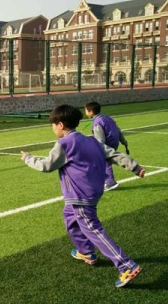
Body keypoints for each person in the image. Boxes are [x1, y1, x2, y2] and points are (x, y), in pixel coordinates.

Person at [20, 104, 145, 288]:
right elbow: (113, 154)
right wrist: (135, 167)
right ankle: (86, 252)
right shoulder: (92, 141)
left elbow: (46, 165)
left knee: (92, 229)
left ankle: (126, 265)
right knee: (69, 217)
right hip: (89, 192)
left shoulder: (64, 144)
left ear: (60, 124)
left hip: (81, 196)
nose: (53, 129)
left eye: (53, 125)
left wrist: (28, 158)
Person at [84, 101, 129, 191]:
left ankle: (110, 182)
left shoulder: (97, 123)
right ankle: (104, 180)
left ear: (91, 112)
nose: (85, 113)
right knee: (102, 161)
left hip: (107, 144)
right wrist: (123, 141)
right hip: (114, 142)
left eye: (85, 111)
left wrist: (96, 147)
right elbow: (118, 130)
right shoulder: (107, 117)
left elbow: (100, 140)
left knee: (104, 161)